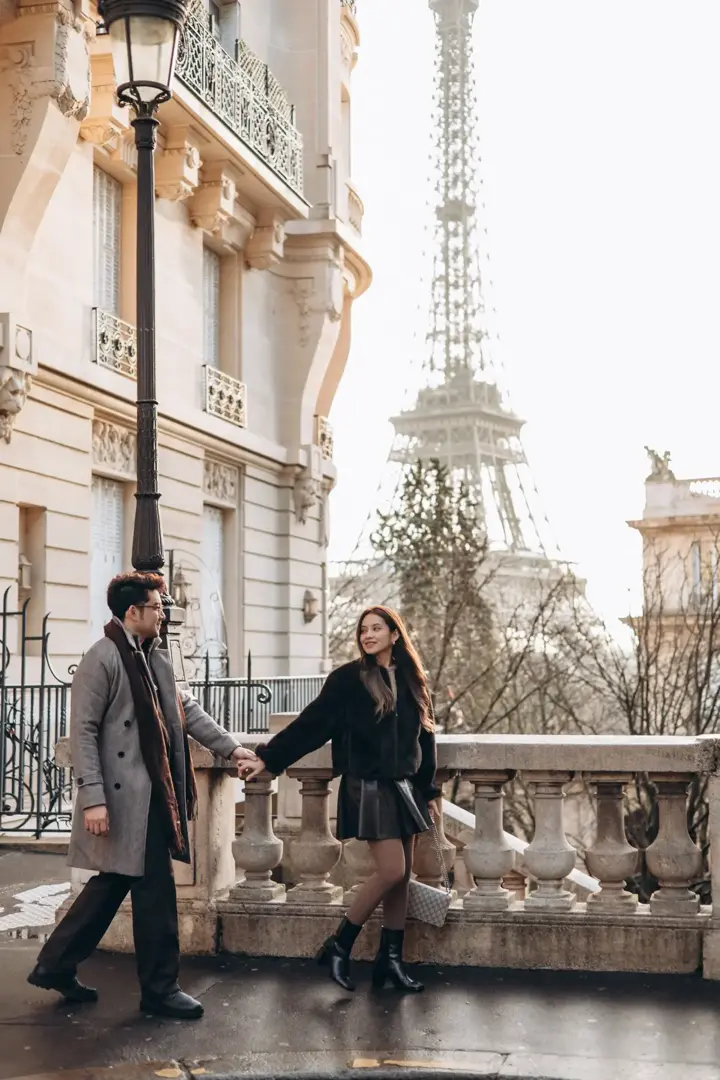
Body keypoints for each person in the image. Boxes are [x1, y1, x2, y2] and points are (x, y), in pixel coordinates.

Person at [28, 572, 258, 1020]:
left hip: (154, 792)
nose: (163, 613)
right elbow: (84, 733)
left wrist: (231, 747)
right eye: (157, 607)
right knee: (155, 890)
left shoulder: (154, 656)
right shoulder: (103, 658)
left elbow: (185, 709)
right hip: (121, 798)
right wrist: (92, 797)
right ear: (132, 612)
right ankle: (160, 989)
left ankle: (55, 965)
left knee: (113, 884)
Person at [241, 605, 441, 994]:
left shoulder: (415, 681)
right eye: (363, 629)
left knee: (402, 879)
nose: (368, 635)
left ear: (394, 635)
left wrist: (429, 789)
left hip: (406, 788)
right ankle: (340, 944)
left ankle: (391, 961)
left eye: (376, 629)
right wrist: (269, 756)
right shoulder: (349, 680)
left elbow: (426, 740)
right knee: (391, 871)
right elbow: (312, 724)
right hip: (369, 787)